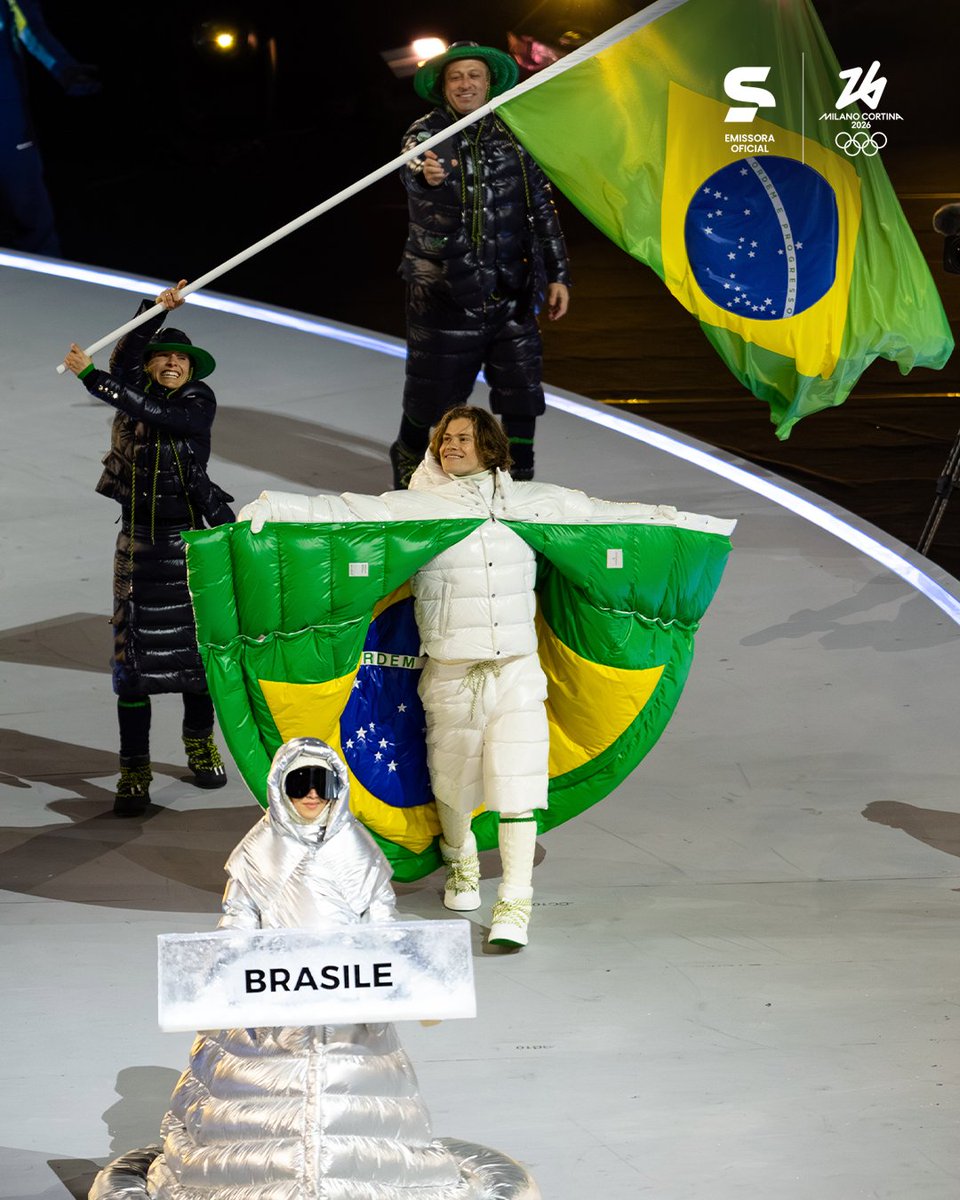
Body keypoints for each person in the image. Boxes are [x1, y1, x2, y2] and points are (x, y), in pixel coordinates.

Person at [239, 406, 733, 948]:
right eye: (444, 438)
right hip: (450, 672)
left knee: (519, 785)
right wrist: (273, 507)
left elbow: (606, 519)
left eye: (463, 438)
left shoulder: (531, 503)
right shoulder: (420, 508)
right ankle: (462, 862)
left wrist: (683, 525)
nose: (450, 445)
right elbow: (346, 513)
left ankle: (516, 900)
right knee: (454, 784)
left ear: (490, 447)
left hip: (517, 671)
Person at [107, 737, 539, 1200]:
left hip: (348, 1009)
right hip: (272, 1011)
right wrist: (228, 982)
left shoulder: (358, 850)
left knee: (350, 1099)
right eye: (300, 783)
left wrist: (413, 983)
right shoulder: (258, 853)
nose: (312, 795)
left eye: (323, 783)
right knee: (263, 1107)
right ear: (280, 789)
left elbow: (382, 923)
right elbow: (236, 924)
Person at [63, 281, 234, 817]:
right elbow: (125, 356)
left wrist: (93, 380)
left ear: (192, 371)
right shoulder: (135, 390)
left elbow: (152, 408)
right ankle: (134, 768)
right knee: (132, 668)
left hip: (189, 547)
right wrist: (155, 311)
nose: (171, 363)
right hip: (136, 549)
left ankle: (199, 744)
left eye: (180, 359)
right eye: (162, 356)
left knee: (196, 665)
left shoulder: (197, 403)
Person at [389, 40, 570, 490]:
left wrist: (558, 274)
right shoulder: (426, 133)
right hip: (445, 292)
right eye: (456, 76)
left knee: (521, 391)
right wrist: (425, 175)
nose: (465, 84)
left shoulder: (514, 132)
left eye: (474, 76)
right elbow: (415, 165)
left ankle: (519, 479)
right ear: (444, 86)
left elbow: (541, 207)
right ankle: (408, 459)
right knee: (430, 395)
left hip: (512, 288)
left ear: (489, 83)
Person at [1, 0, 99, 254]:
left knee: (28, 208)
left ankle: (41, 272)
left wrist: (63, 67)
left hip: (7, 113)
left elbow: (29, 26)